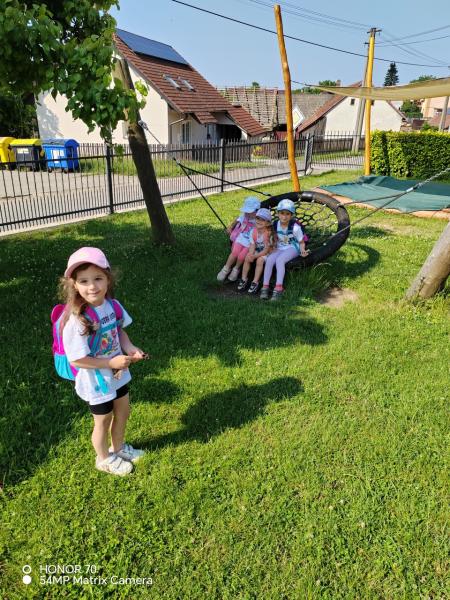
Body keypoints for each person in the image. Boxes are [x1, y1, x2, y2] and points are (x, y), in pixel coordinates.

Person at [60, 247, 147, 476]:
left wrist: (130, 348)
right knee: (103, 420)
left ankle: (118, 448)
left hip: (118, 373)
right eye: (84, 281)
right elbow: (77, 360)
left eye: (98, 278)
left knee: (123, 411)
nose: (92, 286)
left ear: (108, 279)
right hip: (96, 379)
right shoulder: (77, 321)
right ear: (74, 285)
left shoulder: (113, 306)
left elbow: (119, 331)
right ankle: (104, 459)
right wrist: (110, 363)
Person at [260, 199, 309, 301]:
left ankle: (279, 288)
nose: (284, 216)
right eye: (282, 213)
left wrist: (303, 250)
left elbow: (301, 242)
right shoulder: (275, 224)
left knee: (280, 260)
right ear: (278, 213)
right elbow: (274, 237)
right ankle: (265, 286)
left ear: (291, 215)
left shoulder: (295, 228)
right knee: (269, 260)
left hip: (293, 247)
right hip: (280, 247)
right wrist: (271, 245)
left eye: (287, 214)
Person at [217, 196, 261, 282]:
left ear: (256, 211)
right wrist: (231, 227)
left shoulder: (259, 220)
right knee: (235, 252)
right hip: (241, 238)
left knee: (242, 256)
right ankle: (226, 268)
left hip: (250, 243)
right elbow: (237, 220)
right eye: (246, 211)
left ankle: (236, 269)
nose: (247, 213)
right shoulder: (245, 215)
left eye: (250, 212)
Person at [237, 207, 273, 294]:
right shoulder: (253, 231)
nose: (259, 221)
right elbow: (252, 245)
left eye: (263, 220)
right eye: (258, 218)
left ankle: (255, 282)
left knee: (260, 260)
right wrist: (251, 254)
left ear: (268, 223)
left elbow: (266, 250)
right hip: (258, 250)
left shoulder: (268, 234)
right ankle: (244, 279)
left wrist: (255, 256)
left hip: (268, 252)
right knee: (247, 257)